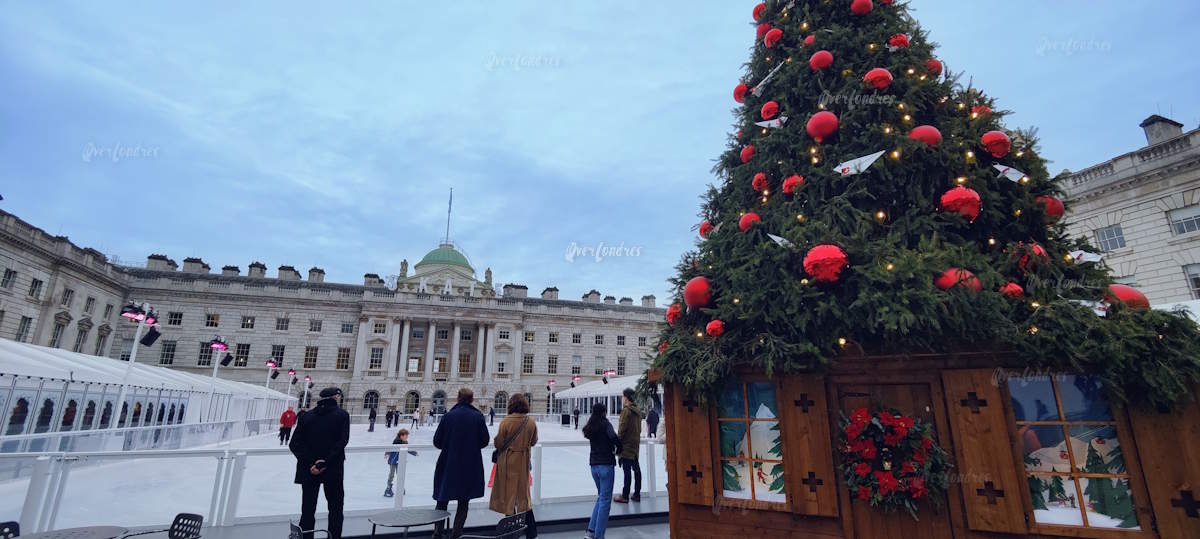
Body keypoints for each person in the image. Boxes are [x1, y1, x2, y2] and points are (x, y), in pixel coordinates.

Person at [289, 387, 350, 539]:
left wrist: (311, 464)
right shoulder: (342, 415)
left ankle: (306, 537)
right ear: (335, 398)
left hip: (309, 470)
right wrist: (325, 463)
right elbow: (342, 442)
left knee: (308, 510)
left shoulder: (306, 416)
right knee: (335, 509)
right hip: (332, 468)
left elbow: (294, 444)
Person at [432, 388, 489, 539]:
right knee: (463, 503)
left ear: (457, 398)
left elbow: (437, 441)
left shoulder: (448, 416)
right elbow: (484, 441)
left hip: (448, 463)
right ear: (472, 400)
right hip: (469, 464)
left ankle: (437, 534)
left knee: (442, 500)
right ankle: (456, 535)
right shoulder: (478, 417)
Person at [490, 394, 539, 538]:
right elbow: (534, 441)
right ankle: (531, 531)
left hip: (508, 462)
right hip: (523, 461)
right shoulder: (530, 422)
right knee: (524, 497)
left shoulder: (506, 421)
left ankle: (511, 532)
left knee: (508, 496)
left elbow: (499, 443)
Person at [583, 402, 620, 539]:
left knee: (601, 497)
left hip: (594, 466)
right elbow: (613, 437)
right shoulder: (605, 423)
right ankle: (599, 535)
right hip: (606, 465)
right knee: (605, 501)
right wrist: (619, 448)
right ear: (604, 412)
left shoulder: (591, 425)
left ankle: (591, 531)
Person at [613, 388, 641, 503]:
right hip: (635, 444)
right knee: (636, 470)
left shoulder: (626, 411)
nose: (622, 398)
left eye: (623, 396)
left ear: (626, 397)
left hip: (626, 445)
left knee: (627, 471)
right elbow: (639, 428)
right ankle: (637, 494)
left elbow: (622, 428)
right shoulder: (637, 410)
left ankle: (625, 495)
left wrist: (618, 442)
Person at [384, 428, 409, 497]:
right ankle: (388, 488)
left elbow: (408, 449)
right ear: (401, 436)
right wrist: (387, 453)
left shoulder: (405, 442)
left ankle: (400, 488)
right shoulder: (396, 441)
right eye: (405, 436)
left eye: (407, 436)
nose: (407, 437)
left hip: (400, 461)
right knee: (391, 475)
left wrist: (414, 452)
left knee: (400, 474)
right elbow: (391, 448)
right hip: (393, 461)